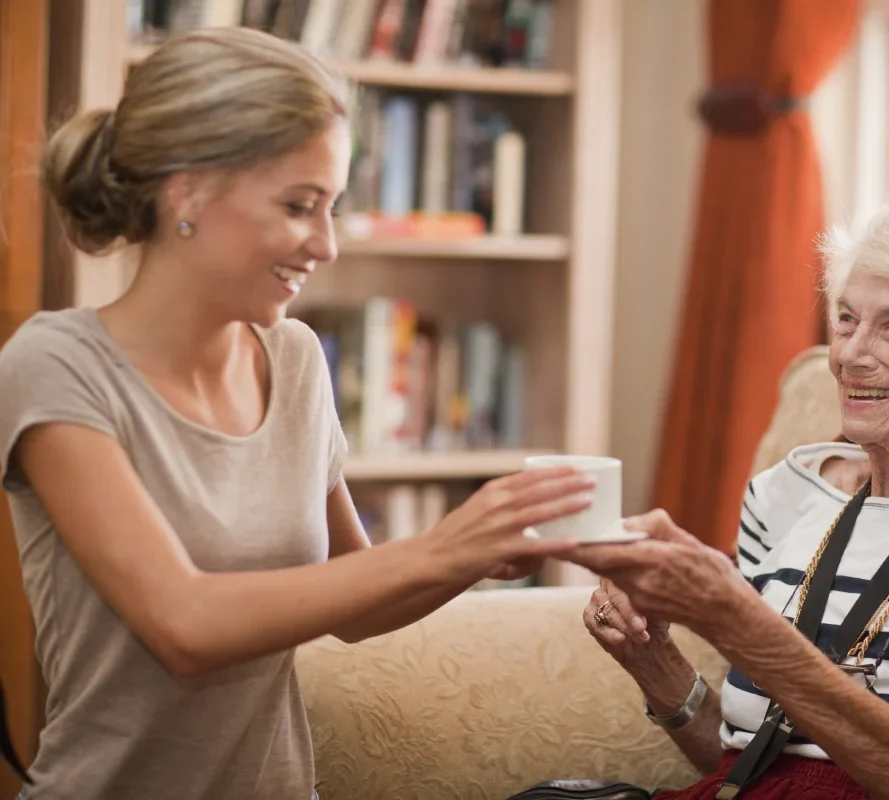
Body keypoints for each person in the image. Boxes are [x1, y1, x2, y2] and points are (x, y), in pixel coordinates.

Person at [0, 27, 593, 800]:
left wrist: (478, 551)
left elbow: (350, 599)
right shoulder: (53, 368)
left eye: (334, 207)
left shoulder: (296, 358)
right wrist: (444, 545)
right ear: (189, 192)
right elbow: (185, 625)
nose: (327, 243)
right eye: (299, 205)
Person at [569, 202, 889, 800]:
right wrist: (653, 662)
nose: (849, 355)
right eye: (845, 320)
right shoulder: (783, 494)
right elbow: (743, 763)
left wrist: (735, 617)